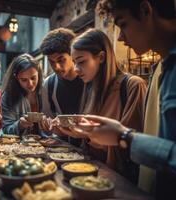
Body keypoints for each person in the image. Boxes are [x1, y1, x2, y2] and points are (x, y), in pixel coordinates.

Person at [77, 0, 176, 198]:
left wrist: (124, 137)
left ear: (145, 10)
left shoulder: (134, 83)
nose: (120, 37)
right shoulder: (165, 68)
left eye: (122, 24)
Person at [56, 28, 147, 183]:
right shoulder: (90, 88)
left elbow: (132, 146)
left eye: (81, 62)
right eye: (75, 62)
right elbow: (88, 144)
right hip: (89, 173)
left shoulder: (132, 86)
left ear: (101, 57)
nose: (76, 70)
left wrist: (89, 135)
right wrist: (73, 132)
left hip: (118, 180)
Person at [39, 28, 84, 141]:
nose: (56, 67)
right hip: (64, 148)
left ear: (72, 55)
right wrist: (48, 125)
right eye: (51, 62)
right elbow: (48, 120)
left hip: (93, 146)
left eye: (61, 60)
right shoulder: (48, 84)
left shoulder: (88, 78)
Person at [1, 54, 43, 136]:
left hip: (47, 143)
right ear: (16, 78)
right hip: (20, 146)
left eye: (33, 78)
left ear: (38, 73)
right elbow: (6, 129)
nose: (30, 84)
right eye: (24, 80)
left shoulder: (47, 89)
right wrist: (19, 125)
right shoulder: (8, 96)